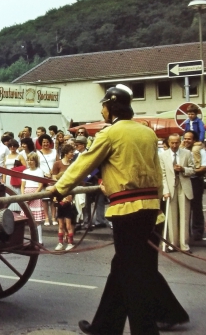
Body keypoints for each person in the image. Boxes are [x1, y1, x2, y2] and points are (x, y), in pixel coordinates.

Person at [48, 85, 164, 335]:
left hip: (126, 211)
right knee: (122, 267)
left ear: (111, 107)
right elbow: (157, 172)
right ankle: (105, 326)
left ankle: (145, 330)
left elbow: (83, 164)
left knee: (132, 274)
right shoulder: (147, 132)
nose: (101, 111)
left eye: (103, 106)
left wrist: (59, 189)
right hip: (150, 208)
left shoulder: (109, 134)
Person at [159, 134, 195, 253]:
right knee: (171, 217)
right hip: (170, 188)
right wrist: (165, 191)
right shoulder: (163, 155)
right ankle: (172, 244)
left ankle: (184, 245)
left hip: (184, 187)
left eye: (176, 143)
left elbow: (193, 169)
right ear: (168, 143)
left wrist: (183, 169)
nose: (174, 145)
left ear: (180, 142)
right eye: (172, 143)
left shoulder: (187, 153)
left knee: (184, 217)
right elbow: (162, 175)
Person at [181, 130, 206, 241]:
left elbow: (205, 167)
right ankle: (185, 232)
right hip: (183, 181)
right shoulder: (181, 150)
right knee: (184, 207)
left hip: (195, 181)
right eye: (185, 138)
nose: (187, 140)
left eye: (189, 139)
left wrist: (191, 171)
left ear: (194, 140)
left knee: (196, 207)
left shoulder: (199, 151)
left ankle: (197, 232)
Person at [21, 152, 45, 245]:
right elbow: (23, 185)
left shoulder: (39, 171)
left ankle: (39, 241)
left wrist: (33, 196)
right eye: (28, 160)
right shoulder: (25, 172)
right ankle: (31, 240)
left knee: (37, 221)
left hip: (35, 194)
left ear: (36, 161)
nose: (30, 162)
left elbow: (40, 185)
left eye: (32, 160)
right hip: (26, 193)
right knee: (26, 219)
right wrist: (24, 196)